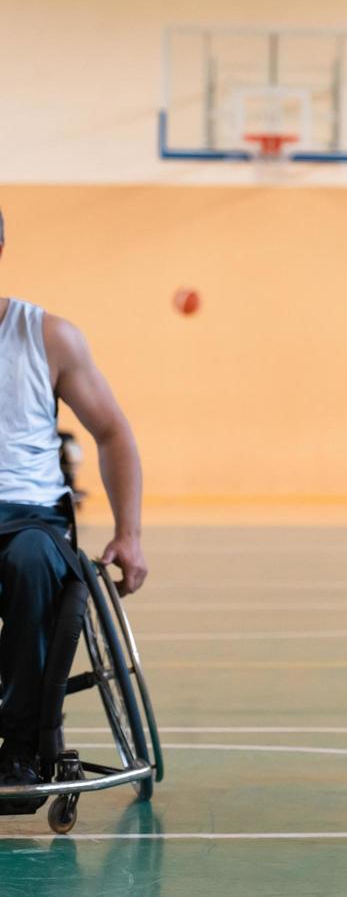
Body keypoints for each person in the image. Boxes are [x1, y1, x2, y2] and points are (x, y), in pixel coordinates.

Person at [0, 205, 148, 808]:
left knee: (34, 562)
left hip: (29, 520)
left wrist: (128, 534)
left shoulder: (46, 336)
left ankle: (17, 747)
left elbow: (112, 433)